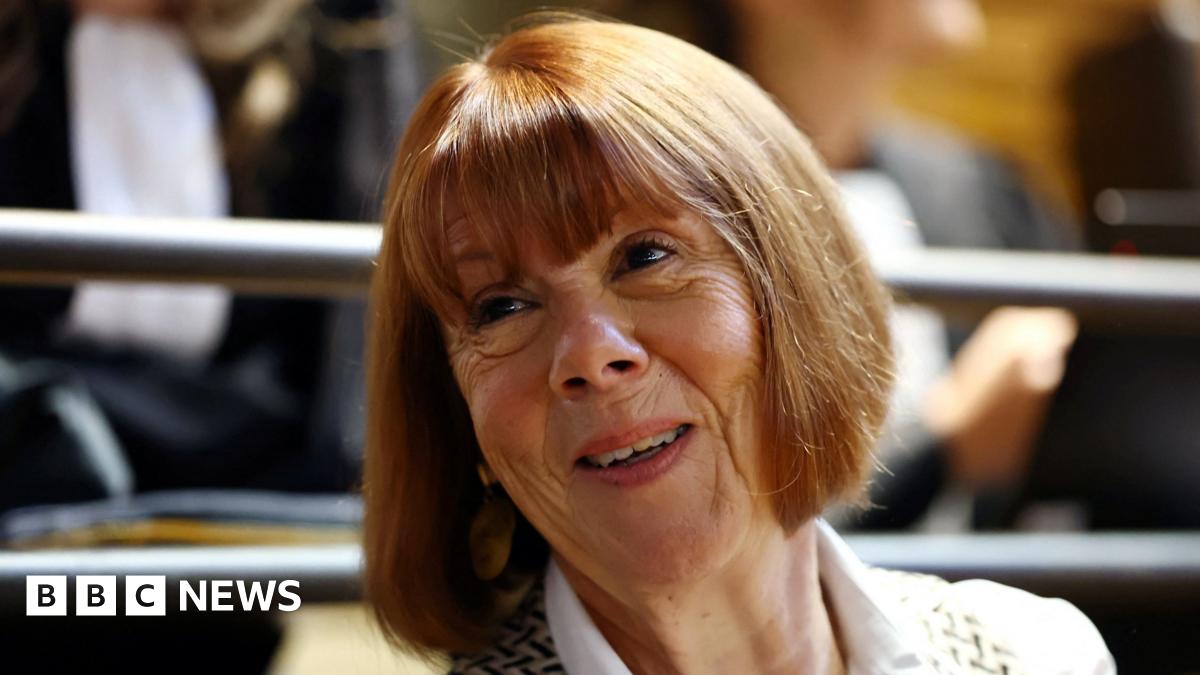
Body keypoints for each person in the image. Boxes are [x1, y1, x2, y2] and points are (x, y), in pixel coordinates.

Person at [363, 13, 1114, 674]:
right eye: (501, 308)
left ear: (798, 293)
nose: (590, 354)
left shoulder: (1037, 654)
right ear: (455, 413)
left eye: (645, 257)